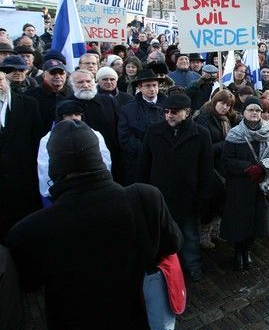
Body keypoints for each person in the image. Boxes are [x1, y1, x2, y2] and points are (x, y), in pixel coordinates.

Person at [7, 119, 182, 329]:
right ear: (98, 155)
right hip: (139, 315)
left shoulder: (28, 231)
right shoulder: (145, 198)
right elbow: (172, 244)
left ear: (53, 165)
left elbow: (28, 283)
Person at [137, 93, 214, 282]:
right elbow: (144, 164)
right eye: (166, 112)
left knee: (189, 234)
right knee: (161, 234)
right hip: (159, 195)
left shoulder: (201, 134)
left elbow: (206, 169)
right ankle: (164, 268)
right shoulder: (154, 131)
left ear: (187, 112)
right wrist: (142, 192)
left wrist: (203, 197)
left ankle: (193, 265)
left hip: (187, 195)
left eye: (174, 112)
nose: (169, 115)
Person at [221, 97, 269, 270]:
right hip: (239, 185)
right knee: (239, 221)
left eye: (257, 110)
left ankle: (247, 252)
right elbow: (226, 161)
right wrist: (247, 167)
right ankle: (237, 252)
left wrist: (263, 168)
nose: (254, 113)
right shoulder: (234, 134)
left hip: (259, 184)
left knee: (256, 220)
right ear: (244, 113)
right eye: (251, 110)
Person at [0, 71, 43, 242]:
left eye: (1, 80)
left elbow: (37, 140)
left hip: (23, 176)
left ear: (7, 81)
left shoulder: (28, 104)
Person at [193, 90, 238, 248]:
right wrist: (226, 143)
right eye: (222, 103)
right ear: (215, 101)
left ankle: (215, 231)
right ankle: (204, 234)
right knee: (210, 202)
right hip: (209, 168)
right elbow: (204, 149)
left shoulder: (225, 119)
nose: (225, 107)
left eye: (228, 105)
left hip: (222, 166)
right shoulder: (203, 118)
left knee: (221, 200)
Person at [25, 59, 71, 133]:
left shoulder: (72, 94)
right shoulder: (30, 96)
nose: (58, 76)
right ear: (44, 75)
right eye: (53, 73)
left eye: (61, 73)